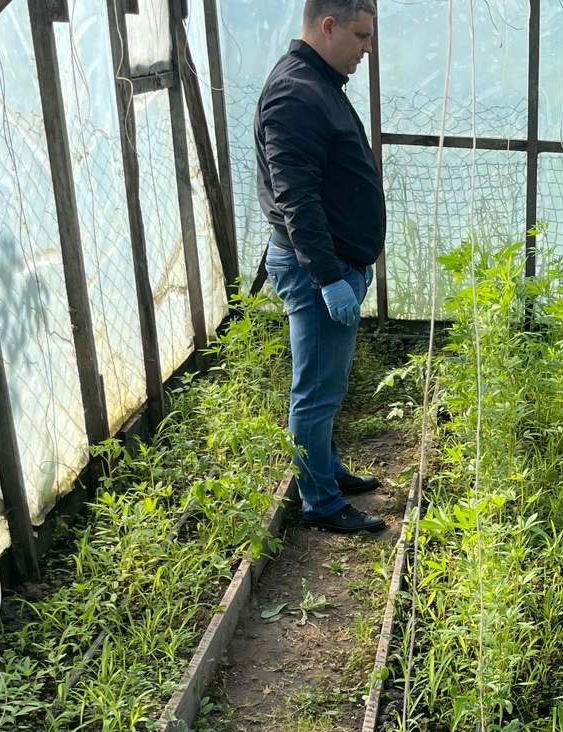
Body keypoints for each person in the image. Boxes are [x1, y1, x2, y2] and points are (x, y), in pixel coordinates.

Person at [255, 0, 388, 535]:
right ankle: (321, 503)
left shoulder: (318, 83)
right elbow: (297, 199)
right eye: (360, 36)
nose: (367, 49)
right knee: (314, 392)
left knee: (326, 386)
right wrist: (330, 277)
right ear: (328, 26)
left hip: (334, 264)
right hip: (318, 272)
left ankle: (326, 469)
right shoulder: (295, 93)